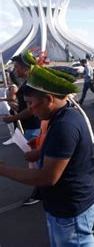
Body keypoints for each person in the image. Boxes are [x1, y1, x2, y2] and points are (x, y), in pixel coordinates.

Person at [0, 65, 94, 246]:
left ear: (48, 99)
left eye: (30, 103)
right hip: (63, 207)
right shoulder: (61, 116)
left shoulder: (65, 126)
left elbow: (47, 177)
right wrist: (39, 152)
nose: (29, 110)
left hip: (71, 211)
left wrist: (3, 169)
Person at [2, 52, 42, 205]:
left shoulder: (30, 85)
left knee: (37, 164)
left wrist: (12, 118)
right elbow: (28, 106)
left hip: (34, 128)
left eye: (17, 66)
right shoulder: (27, 83)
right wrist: (16, 107)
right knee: (36, 163)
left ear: (26, 68)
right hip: (31, 127)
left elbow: (31, 109)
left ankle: (40, 193)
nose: (14, 69)